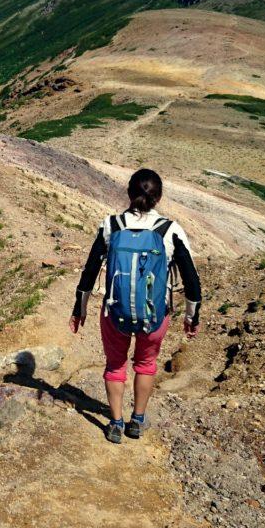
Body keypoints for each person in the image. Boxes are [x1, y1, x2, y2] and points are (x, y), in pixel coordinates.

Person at [69, 168, 202, 444]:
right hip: (154, 316)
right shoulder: (169, 230)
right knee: (146, 363)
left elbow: (90, 270)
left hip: (114, 312)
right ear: (158, 197)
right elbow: (191, 279)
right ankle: (137, 421)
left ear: (129, 193)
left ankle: (116, 423)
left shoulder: (111, 225)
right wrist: (192, 316)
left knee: (115, 365)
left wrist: (78, 309)